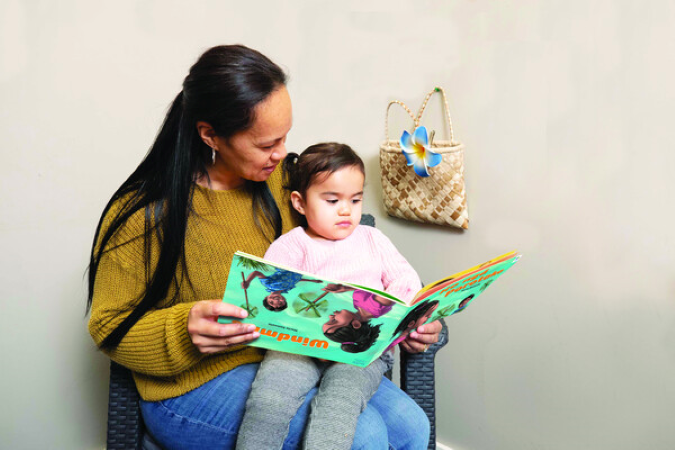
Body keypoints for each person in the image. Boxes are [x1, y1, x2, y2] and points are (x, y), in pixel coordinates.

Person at [86, 44, 441, 449]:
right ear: (210, 135)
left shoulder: (284, 182)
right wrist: (183, 330)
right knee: (365, 437)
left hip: (301, 357)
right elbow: (108, 327)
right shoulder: (145, 213)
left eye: (285, 136)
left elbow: (346, 260)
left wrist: (407, 320)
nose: (281, 153)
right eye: (265, 143)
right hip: (192, 384)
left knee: (411, 428)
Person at [236, 143, 424, 449]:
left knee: (340, 406)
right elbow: (270, 294)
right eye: (332, 200)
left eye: (356, 199)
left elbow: (405, 280)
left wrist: (397, 309)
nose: (346, 210)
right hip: (299, 347)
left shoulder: (372, 239)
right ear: (300, 202)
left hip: (360, 353)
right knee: (269, 400)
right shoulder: (292, 245)